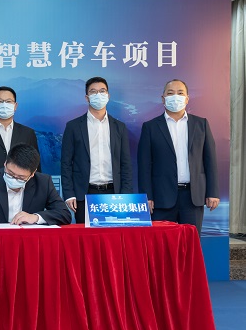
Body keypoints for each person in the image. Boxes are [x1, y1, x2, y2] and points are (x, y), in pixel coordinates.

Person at [137, 79, 219, 233]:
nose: (175, 97)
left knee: (190, 243)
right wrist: (147, 197)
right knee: (160, 244)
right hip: (161, 198)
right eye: (170, 93)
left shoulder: (201, 124)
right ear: (163, 99)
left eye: (180, 93)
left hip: (192, 197)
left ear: (187, 99)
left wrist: (212, 192)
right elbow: (144, 165)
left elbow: (210, 160)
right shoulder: (150, 127)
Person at [61, 77, 133, 223]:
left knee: (114, 234)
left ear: (108, 96)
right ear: (87, 97)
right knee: (85, 235)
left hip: (114, 193)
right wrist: (69, 194)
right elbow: (66, 163)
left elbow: (125, 164)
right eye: (93, 92)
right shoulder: (73, 126)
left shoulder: (119, 127)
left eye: (102, 91)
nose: (98, 95)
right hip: (84, 194)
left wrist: (125, 194)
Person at [0, 144, 71, 226]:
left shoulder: (43, 182)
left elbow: (64, 214)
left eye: (20, 177)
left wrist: (35, 217)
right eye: (10, 173)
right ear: (5, 164)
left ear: (32, 174)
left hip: (29, 242)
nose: (14, 179)